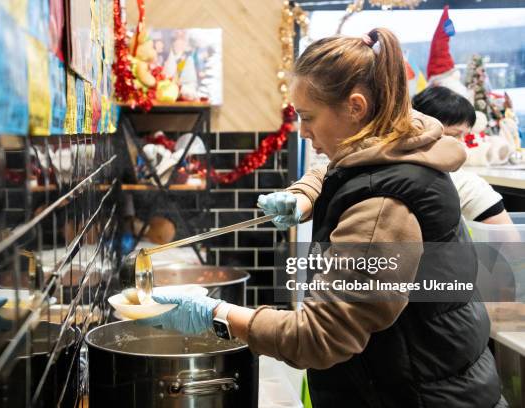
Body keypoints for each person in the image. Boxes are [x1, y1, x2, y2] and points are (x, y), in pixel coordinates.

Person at [140, 28, 505, 407]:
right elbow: (338, 167)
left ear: (356, 107)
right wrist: (302, 197)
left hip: (416, 395)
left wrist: (213, 314)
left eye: (308, 117)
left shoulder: (381, 210)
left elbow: (318, 337)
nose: (302, 131)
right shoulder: (395, 143)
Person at [412, 86, 513, 224]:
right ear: (420, 128)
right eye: (454, 135)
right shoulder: (466, 183)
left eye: (464, 136)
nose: (462, 145)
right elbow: (510, 241)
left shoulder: (384, 164)